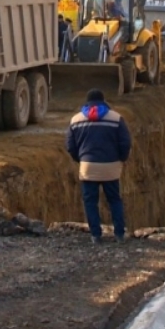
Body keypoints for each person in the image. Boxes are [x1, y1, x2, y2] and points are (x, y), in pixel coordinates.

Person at [66, 89, 132, 244]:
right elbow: (125, 142)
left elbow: (70, 145)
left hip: (88, 167)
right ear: (104, 101)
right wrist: (121, 158)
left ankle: (96, 235)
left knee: (90, 202)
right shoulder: (116, 118)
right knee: (114, 200)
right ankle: (119, 234)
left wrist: (80, 159)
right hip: (111, 166)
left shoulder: (75, 120)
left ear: (87, 102)